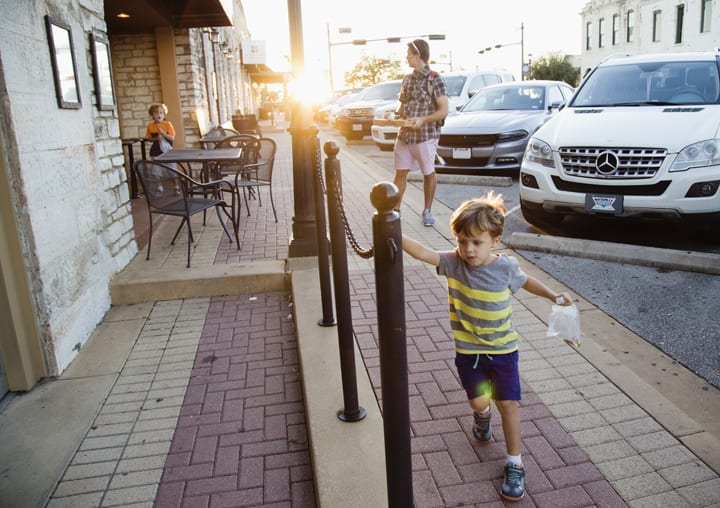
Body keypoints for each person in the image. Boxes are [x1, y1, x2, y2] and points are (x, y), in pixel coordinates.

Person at [401, 192, 573, 502]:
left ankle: (514, 462)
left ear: (494, 240)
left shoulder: (505, 267)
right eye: (462, 240)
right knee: (479, 403)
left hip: (504, 351)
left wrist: (553, 296)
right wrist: (391, 230)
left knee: (508, 404)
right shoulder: (453, 263)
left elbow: (527, 281)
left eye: (476, 242)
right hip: (469, 352)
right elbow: (423, 253)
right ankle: (482, 416)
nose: (468, 249)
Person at [393, 39, 448, 227]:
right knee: (400, 174)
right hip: (405, 136)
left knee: (428, 173)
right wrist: (393, 115)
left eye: (408, 54)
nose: (406, 57)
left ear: (417, 55)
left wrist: (423, 120)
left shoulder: (434, 79)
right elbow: (401, 107)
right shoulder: (407, 79)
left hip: (425, 136)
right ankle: (395, 211)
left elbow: (443, 110)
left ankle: (427, 211)